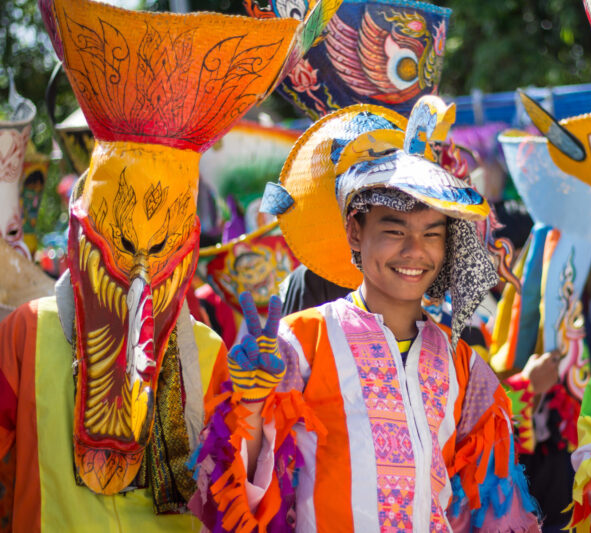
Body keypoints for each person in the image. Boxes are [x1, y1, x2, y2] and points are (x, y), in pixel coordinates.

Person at [0, 0, 329, 529]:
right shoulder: (26, 334)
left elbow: (237, 503)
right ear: (83, 222)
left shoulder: (207, 351)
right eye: (120, 235)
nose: (139, 268)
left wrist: (247, 408)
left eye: (165, 239)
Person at [190, 97, 542, 532]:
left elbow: (485, 506)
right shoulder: (300, 343)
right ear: (356, 232)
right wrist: (250, 405)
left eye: (432, 234)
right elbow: (245, 493)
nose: (415, 251)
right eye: (394, 231)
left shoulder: (461, 365)